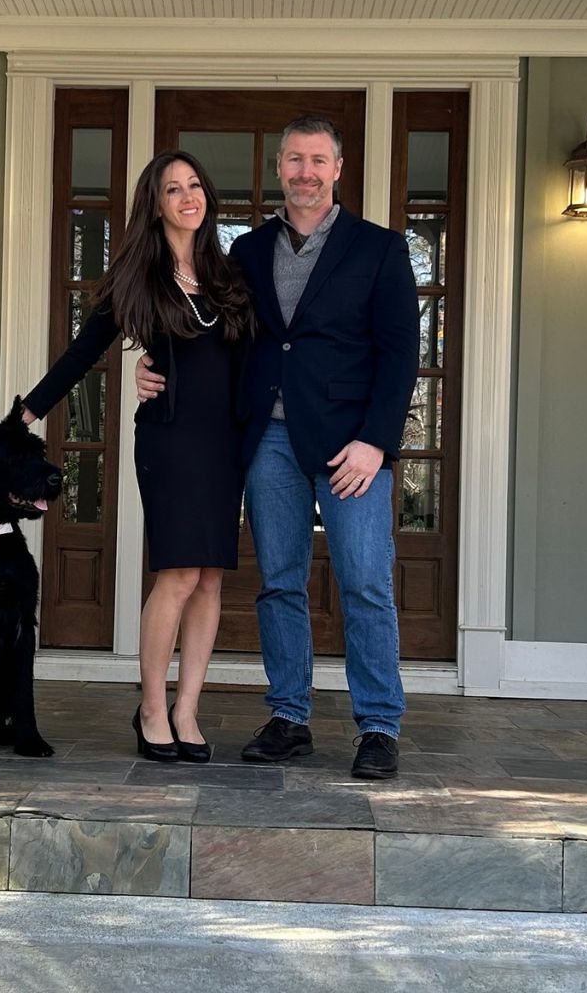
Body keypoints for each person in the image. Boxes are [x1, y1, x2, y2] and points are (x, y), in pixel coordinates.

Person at [136, 115, 416, 779]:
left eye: (318, 160)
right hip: (269, 441)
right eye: (294, 160)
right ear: (279, 170)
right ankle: (289, 715)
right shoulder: (248, 253)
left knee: (364, 582)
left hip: (352, 448)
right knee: (279, 583)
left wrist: (376, 442)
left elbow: (402, 353)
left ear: (338, 169)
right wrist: (155, 367)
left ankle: (378, 724)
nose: (305, 173)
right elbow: (212, 333)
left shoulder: (380, 249)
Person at [21, 150, 254, 764]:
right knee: (177, 573)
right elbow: (81, 353)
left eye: (195, 185)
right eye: (173, 189)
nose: (188, 197)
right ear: (155, 204)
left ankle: (187, 709)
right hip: (170, 440)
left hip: (225, 442)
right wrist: (26, 413)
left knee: (209, 578)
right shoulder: (137, 277)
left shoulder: (229, 276)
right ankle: (152, 705)